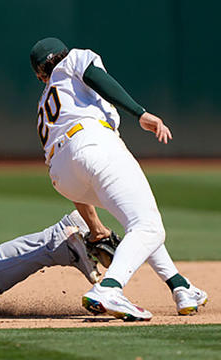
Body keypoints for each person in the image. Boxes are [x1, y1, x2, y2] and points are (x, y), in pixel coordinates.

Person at [29, 37, 207, 321]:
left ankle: (180, 287)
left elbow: (72, 160)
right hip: (93, 143)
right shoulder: (73, 59)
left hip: (63, 177)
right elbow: (97, 78)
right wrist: (141, 113)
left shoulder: (46, 104)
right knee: (149, 227)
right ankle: (110, 288)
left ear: (40, 75)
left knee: (135, 222)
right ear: (61, 55)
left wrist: (95, 226)